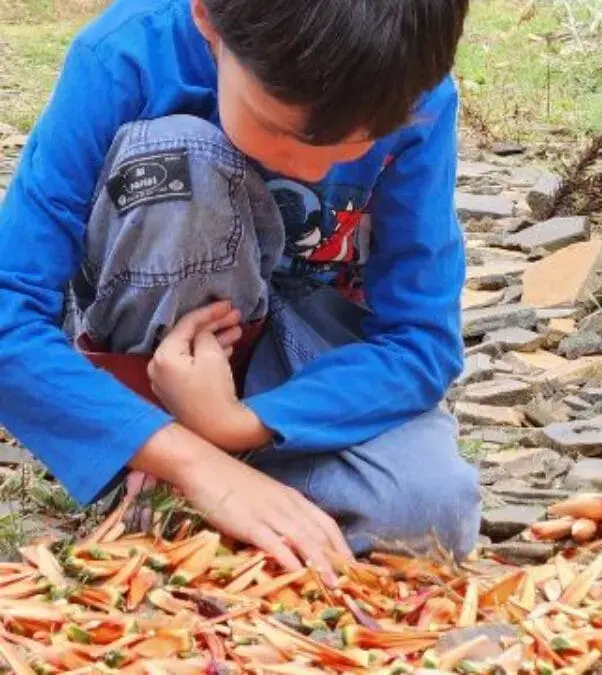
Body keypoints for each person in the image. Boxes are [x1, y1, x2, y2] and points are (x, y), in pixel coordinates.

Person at [0, 0, 481, 584]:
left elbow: (421, 340)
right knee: (181, 156)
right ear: (207, 17)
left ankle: (218, 490)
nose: (311, 168)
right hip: (157, 342)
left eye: (360, 140)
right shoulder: (126, 56)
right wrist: (194, 460)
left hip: (302, 353)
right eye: (281, 128)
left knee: (434, 515)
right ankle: (155, 466)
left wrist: (239, 424)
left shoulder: (412, 92)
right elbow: (9, 311)